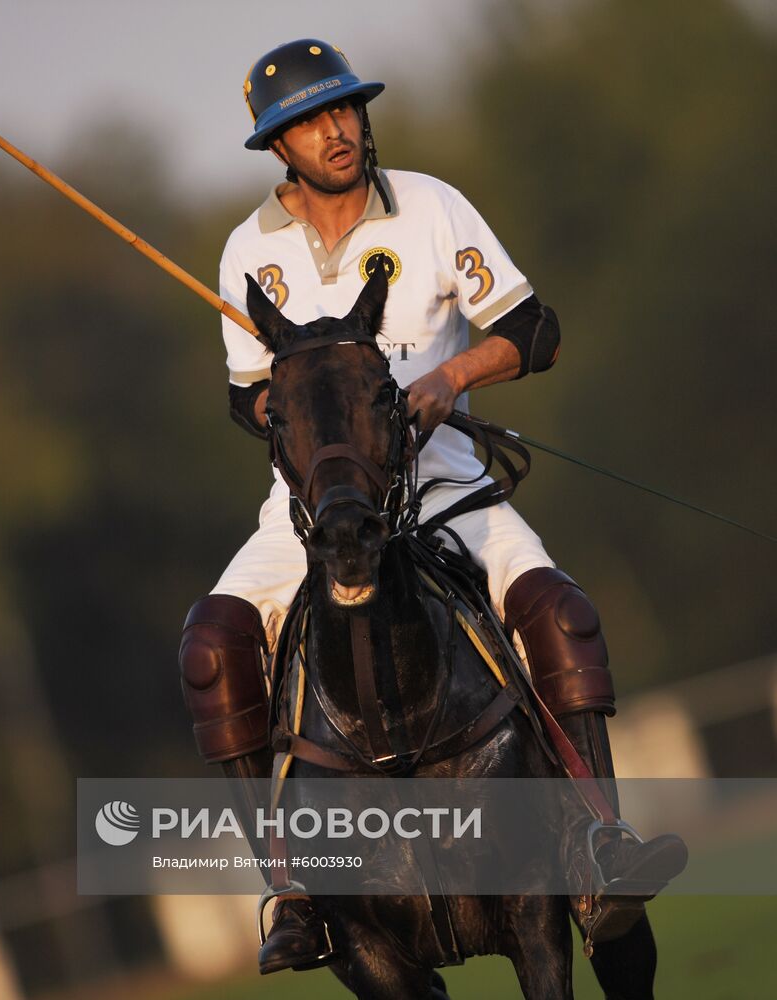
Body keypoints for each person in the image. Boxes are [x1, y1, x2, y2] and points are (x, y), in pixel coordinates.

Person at [179, 39, 686, 976]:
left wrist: (450, 376)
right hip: (315, 513)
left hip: (444, 483)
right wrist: (294, 402)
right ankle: (292, 888)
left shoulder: (431, 207)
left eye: (344, 110)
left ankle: (598, 847)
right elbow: (241, 394)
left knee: (558, 612)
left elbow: (534, 330)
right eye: (308, 122)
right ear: (276, 147)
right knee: (210, 646)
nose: (336, 130)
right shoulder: (249, 251)